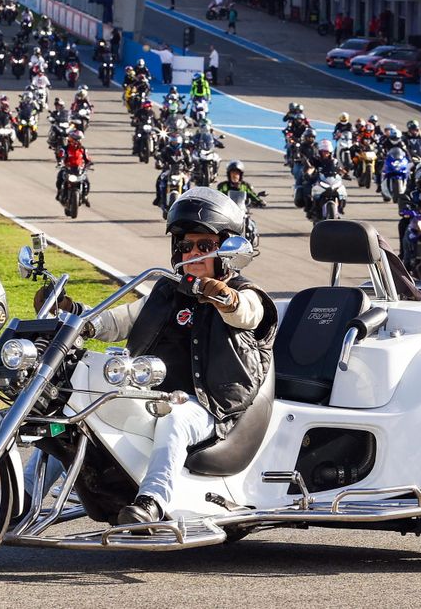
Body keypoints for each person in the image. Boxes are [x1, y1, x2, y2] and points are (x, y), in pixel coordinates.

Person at [39, 188, 274, 525]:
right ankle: (22, 498)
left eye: (204, 246)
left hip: (209, 407)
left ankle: (151, 501)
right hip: (150, 396)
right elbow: (115, 321)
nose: (192, 253)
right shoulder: (166, 291)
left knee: (176, 418)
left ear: (226, 249)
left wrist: (225, 297)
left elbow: (248, 314)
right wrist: (71, 314)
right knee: (66, 410)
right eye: (185, 246)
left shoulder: (248, 293)